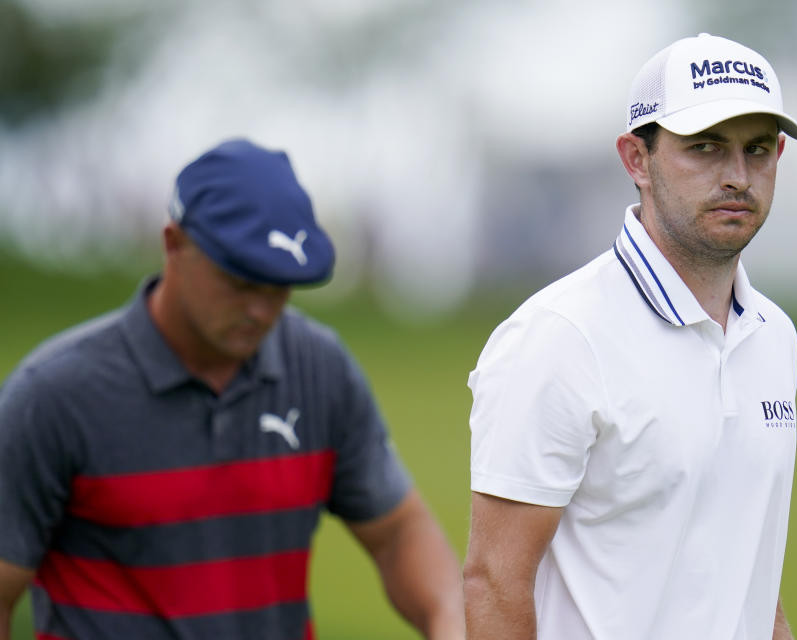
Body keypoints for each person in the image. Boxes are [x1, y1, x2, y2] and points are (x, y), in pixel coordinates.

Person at [0, 139, 465, 640]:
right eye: (241, 283)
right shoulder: (54, 395)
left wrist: (450, 622)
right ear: (174, 243)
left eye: (279, 286)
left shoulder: (319, 369)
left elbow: (398, 534)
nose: (262, 310)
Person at [463, 33, 797, 639]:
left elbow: (750, 569)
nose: (737, 176)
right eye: (705, 147)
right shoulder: (560, 336)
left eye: (757, 150)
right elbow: (495, 580)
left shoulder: (774, 335)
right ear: (636, 159)